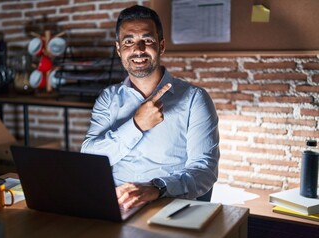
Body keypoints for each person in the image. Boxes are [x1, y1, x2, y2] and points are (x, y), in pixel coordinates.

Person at [80, 5, 219, 209]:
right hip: (116, 203)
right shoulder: (108, 98)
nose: (138, 49)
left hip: (168, 204)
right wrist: (136, 125)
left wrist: (158, 188)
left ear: (161, 46)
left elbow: (204, 171)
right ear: (119, 49)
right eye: (129, 41)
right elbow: (90, 157)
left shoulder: (194, 99)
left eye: (147, 40)